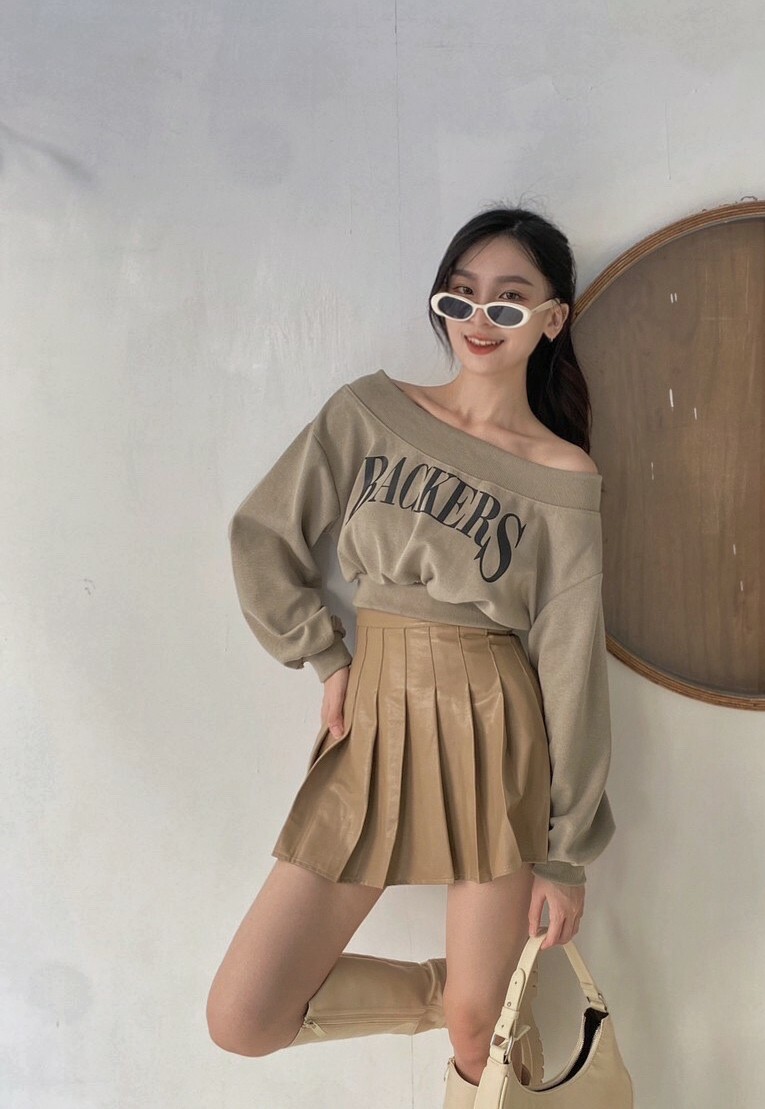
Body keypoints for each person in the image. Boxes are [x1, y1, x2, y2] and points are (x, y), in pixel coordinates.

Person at [205, 206, 617, 1107]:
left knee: (477, 1033)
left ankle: (482, 1012)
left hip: (497, 730)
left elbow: (571, 663)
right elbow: (263, 535)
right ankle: (474, 999)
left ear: (552, 318)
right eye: (460, 297)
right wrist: (326, 657)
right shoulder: (369, 412)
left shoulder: (563, 475)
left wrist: (565, 854)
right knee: (244, 1015)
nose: (479, 319)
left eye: (508, 302)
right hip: (374, 717)